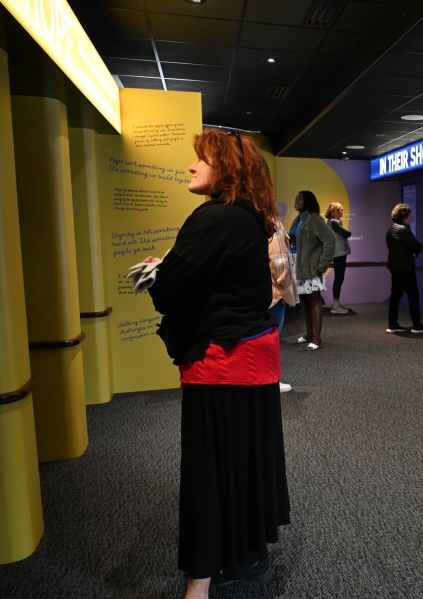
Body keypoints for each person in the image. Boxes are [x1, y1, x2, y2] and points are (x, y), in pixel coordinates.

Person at [143, 128, 290, 598]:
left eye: (201, 160)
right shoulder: (247, 216)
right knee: (244, 462)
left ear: (223, 169)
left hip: (221, 362)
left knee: (210, 469)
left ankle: (203, 577)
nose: (191, 166)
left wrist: (161, 272)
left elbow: (169, 293)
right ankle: (247, 555)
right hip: (252, 358)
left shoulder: (214, 218)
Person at [288, 190, 335, 351]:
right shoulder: (298, 220)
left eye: (299, 199)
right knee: (305, 301)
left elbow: (330, 241)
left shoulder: (315, 220)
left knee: (314, 301)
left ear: (307, 201)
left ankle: (317, 338)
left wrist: (322, 265)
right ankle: (309, 334)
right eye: (296, 198)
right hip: (298, 267)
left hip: (311, 269)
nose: (296, 201)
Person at [385, 203, 423, 334]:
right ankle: (417, 325)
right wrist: (412, 252)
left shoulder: (392, 228)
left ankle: (392, 324)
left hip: (394, 267)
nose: (411, 218)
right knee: (413, 295)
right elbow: (418, 247)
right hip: (405, 268)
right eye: (409, 216)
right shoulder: (404, 230)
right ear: (404, 217)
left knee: (396, 295)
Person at [269, 217, 299, 393]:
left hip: (250, 292)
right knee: (271, 338)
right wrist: (285, 286)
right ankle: (272, 380)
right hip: (272, 293)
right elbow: (279, 262)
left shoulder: (238, 218)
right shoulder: (271, 222)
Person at [324, 202, 351, 314]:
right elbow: (348, 233)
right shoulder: (334, 222)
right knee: (339, 278)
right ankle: (335, 305)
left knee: (339, 278)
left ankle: (336, 303)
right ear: (334, 211)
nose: (342, 212)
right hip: (339, 253)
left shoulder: (334, 222)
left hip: (339, 253)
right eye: (340, 210)